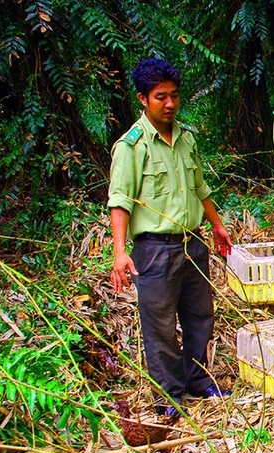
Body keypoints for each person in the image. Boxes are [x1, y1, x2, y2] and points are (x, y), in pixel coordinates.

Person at [107, 58, 233, 415]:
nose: (170, 104)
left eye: (175, 96)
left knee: (200, 315)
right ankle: (169, 396)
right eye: (161, 97)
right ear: (142, 99)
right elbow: (120, 201)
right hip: (154, 250)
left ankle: (198, 379)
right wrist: (120, 252)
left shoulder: (185, 138)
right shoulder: (132, 146)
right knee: (160, 325)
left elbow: (199, 186)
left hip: (192, 243)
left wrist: (216, 224)